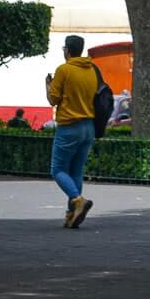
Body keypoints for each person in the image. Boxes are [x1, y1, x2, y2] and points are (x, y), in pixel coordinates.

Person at [45, 34, 97, 229]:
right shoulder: (91, 69)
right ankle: (72, 214)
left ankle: (77, 199)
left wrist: (48, 85)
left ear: (67, 50)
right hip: (88, 127)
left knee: (58, 170)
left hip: (69, 126)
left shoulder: (64, 70)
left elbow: (53, 100)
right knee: (76, 170)